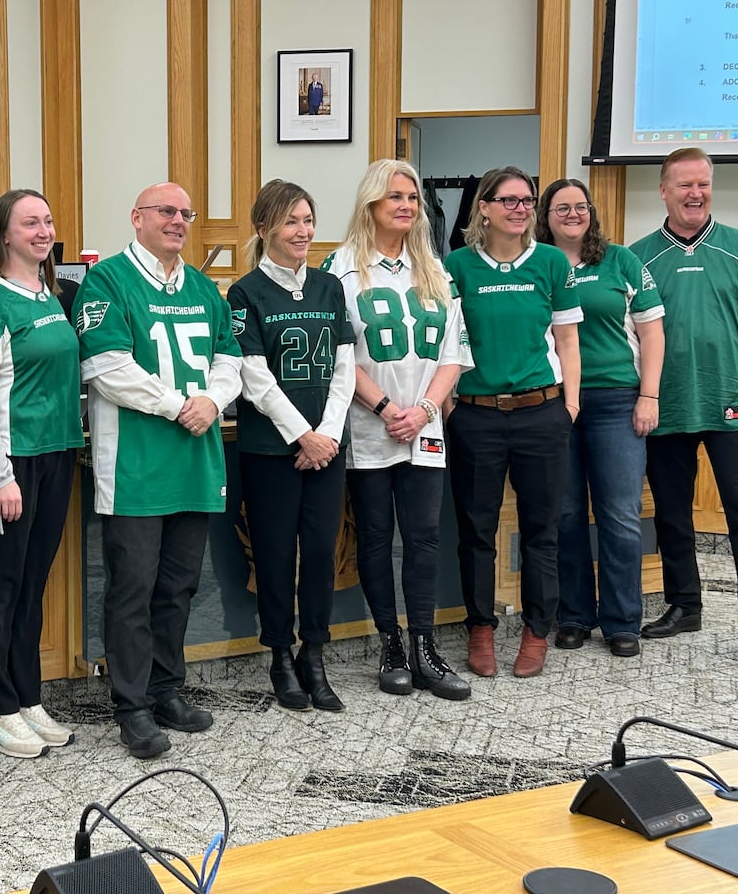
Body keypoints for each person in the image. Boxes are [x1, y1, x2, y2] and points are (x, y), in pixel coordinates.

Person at [74, 182, 242, 758]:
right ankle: (131, 706)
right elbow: (106, 366)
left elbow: (230, 359)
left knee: (179, 587)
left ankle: (167, 688)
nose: (177, 220)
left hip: (195, 461)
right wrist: (180, 405)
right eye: (165, 211)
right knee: (132, 589)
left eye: (185, 213)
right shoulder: (108, 280)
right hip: (135, 466)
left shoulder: (202, 287)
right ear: (136, 216)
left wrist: (214, 401)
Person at [629, 147, 738, 665]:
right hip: (664, 407)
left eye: (703, 184)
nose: (695, 194)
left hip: (732, 405)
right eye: (684, 185)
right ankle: (684, 605)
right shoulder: (639, 258)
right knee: (672, 514)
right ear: (664, 190)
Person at [324, 159, 474, 701]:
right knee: (376, 536)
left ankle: (425, 648)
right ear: (371, 203)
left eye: (412, 196)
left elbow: (453, 354)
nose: (407, 205)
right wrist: (387, 407)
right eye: (395, 197)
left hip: (425, 426)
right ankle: (390, 643)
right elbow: (341, 355)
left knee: (425, 537)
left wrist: (425, 411)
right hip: (369, 425)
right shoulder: (340, 268)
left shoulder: (433, 267)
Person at [444, 166, 582, 679]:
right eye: (509, 200)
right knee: (476, 531)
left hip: (541, 413)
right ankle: (481, 630)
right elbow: (445, 342)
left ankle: (536, 630)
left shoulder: (548, 262)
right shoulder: (456, 266)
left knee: (541, 532)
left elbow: (568, 341)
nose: (520, 208)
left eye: (527, 200)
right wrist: (451, 404)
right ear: (484, 207)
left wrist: (569, 405)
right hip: (477, 416)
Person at [227, 179, 355, 712]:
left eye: (307, 220)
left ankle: (315, 654)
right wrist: (301, 434)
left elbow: (345, 367)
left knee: (323, 553)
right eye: (291, 222)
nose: (302, 231)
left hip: (326, 446)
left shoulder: (329, 287)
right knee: (275, 555)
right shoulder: (245, 293)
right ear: (264, 228)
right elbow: (253, 376)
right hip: (271, 450)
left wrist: (325, 434)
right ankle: (280, 653)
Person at [0, 189, 83, 758]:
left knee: (33, 584)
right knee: (1, 586)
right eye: (29, 222)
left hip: (58, 454)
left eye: (48, 219)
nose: (42, 230)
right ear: (3, 234)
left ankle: (27, 697)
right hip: (12, 464)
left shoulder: (51, 295)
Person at [536, 178, 664, 658]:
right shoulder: (537, 264)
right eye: (561, 207)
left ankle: (621, 621)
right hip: (553, 404)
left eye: (581, 206)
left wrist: (648, 395)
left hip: (616, 401)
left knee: (619, 517)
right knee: (565, 515)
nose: (573, 214)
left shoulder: (621, 260)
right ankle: (573, 616)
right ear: (545, 215)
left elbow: (652, 333)